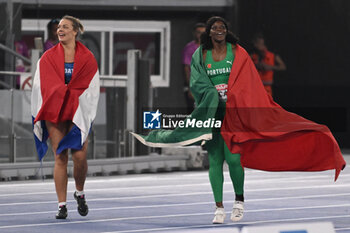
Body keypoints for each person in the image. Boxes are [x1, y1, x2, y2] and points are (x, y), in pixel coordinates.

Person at [132, 16, 345, 224]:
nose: (219, 30)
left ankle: (239, 201)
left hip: (235, 114)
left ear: (226, 31)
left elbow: (248, 81)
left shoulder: (238, 52)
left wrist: (235, 96)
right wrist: (212, 95)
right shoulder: (200, 54)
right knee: (214, 160)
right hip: (212, 114)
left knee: (234, 159)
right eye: (214, 27)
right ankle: (218, 207)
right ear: (209, 32)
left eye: (222, 27)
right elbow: (196, 83)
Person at [31, 15, 100, 219]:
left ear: (75, 31)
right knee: (60, 156)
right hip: (55, 110)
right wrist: (57, 94)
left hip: (77, 110)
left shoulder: (87, 57)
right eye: (59, 27)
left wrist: (77, 99)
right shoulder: (48, 57)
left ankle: (79, 192)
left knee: (79, 157)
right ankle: (61, 205)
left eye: (65, 27)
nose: (60, 30)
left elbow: (92, 86)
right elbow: (39, 84)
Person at [182, 23, 205, 113]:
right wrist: (190, 88)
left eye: (203, 33)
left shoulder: (210, 47)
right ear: (194, 33)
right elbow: (186, 68)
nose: (201, 35)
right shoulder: (189, 48)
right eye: (198, 32)